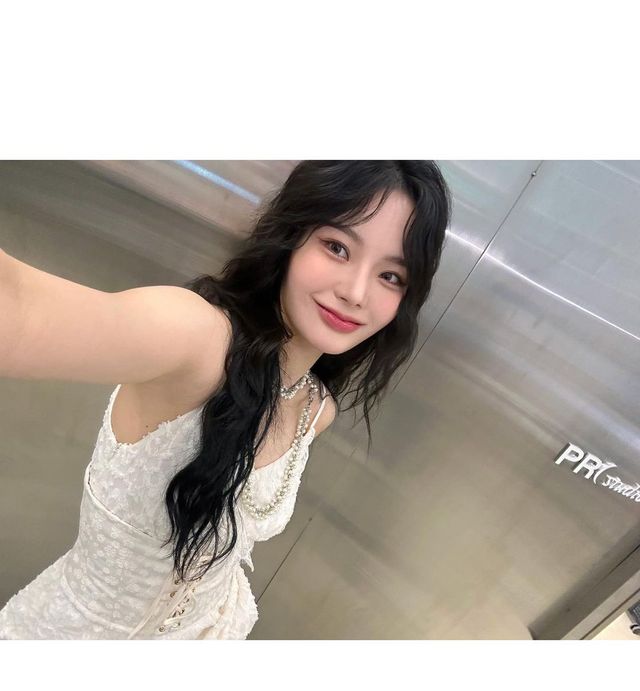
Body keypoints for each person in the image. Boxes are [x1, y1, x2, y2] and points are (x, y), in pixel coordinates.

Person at [0, 160, 451, 639]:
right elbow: (19, 310)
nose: (356, 292)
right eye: (337, 247)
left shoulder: (316, 409)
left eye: (391, 276)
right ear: (292, 236)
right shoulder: (199, 341)